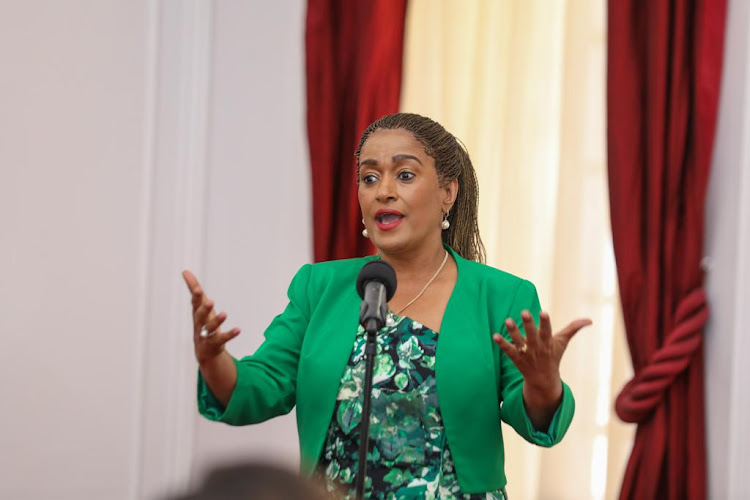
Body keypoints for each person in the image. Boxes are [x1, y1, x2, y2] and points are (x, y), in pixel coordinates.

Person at [182, 113, 591, 499]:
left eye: (405, 175)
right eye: (369, 177)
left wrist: (542, 383)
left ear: (448, 193)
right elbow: (259, 388)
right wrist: (214, 358)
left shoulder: (500, 295)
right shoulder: (320, 287)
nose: (384, 191)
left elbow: (535, 418)